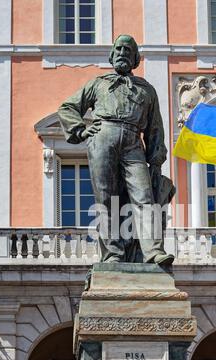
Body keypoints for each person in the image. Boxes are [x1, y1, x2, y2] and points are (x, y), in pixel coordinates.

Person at [58, 34, 174, 265]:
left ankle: (153, 251)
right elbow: (68, 107)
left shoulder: (146, 90)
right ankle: (113, 253)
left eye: (128, 50)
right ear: (112, 56)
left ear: (135, 59)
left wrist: (156, 161)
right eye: (119, 49)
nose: (123, 53)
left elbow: (155, 128)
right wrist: (81, 130)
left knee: (144, 196)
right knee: (106, 198)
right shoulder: (98, 83)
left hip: (133, 140)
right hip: (103, 136)